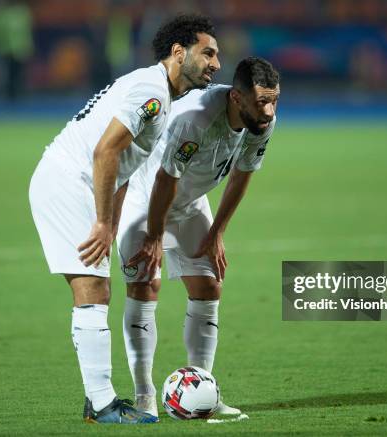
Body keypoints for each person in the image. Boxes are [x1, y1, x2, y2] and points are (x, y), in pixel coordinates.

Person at [28, 14, 220, 424]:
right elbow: (105, 154)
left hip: (77, 181)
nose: (216, 63)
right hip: (69, 180)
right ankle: (101, 404)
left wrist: (111, 223)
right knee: (93, 289)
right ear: (178, 52)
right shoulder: (151, 92)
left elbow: (124, 169)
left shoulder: (160, 94)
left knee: (97, 288)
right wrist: (101, 223)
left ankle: (98, 401)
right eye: (208, 52)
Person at [116, 57, 279, 417]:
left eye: (274, 100)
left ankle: (203, 391)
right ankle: (144, 397)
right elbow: (164, 179)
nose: (268, 110)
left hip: (189, 204)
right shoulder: (196, 120)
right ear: (237, 98)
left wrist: (218, 230)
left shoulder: (261, 122)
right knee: (145, 287)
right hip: (145, 202)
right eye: (260, 102)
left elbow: (242, 173)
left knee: (208, 286)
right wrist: (155, 235)